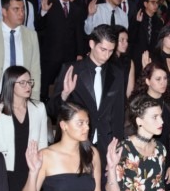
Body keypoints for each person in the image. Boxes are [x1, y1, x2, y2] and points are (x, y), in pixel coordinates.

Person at [50, 24, 124, 178]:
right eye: (103, 50)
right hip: (75, 145)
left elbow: (118, 115)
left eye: (111, 51)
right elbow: (52, 110)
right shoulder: (71, 69)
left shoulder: (117, 74)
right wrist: (64, 94)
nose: (106, 55)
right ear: (92, 44)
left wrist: (117, 148)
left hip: (105, 145)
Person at [0, 66, 49, 191]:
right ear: (10, 84)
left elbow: (42, 144)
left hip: (30, 168)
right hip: (6, 170)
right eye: (22, 83)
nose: (28, 86)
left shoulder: (39, 108)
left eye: (29, 82)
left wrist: (40, 168)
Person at [130, 62, 170, 184]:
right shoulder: (138, 103)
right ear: (147, 81)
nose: (163, 82)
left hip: (163, 159)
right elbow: (129, 134)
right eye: (158, 79)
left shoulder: (168, 104)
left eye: (165, 78)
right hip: (140, 158)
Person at [36, 0, 86, 102]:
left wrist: (79, 54)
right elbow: (39, 26)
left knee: (65, 87)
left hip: (69, 57)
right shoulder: (49, 4)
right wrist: (43, 12)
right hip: (50, 55)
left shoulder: (76, 9)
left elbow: (79, 34)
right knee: (45, 87)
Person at [128, 0, 163, 76]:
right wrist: (137, 23)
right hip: (137, 57)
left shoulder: (159, 22)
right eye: (153, 2)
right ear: (145, 4)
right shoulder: (137, 17)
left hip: (153, 58)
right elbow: (130, 38)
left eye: (157, 3)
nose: (156, 5)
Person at [113, 26, 136, 97]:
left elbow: (130, 91)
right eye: (122, 40)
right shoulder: (105, 60)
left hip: (122, 103)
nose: (126, 43)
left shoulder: (129, 62)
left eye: (126, 40)